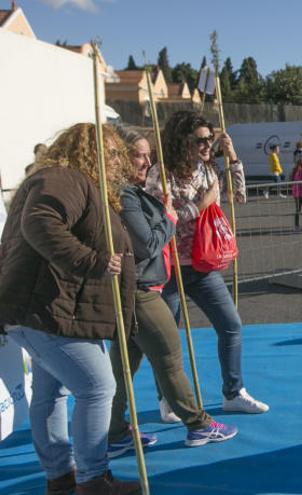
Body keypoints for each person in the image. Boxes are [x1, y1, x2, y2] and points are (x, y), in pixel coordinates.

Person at [0, 123, 142, 494]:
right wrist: (91, 261)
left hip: (41, 308)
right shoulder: (67, 178)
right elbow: (41, 224)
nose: (117, 163)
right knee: (97, 387)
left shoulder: (62, 179)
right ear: (92, 152)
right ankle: (93, 479)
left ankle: (60, 476)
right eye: (112, 155)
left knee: (52, 391)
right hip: (48, 309)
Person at [107, 125, 237, 458]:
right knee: (169, 361)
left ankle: (115, 432)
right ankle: (198, 424)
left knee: (123, 369)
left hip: (140, 287)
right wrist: (168, 215)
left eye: (148, 153)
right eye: (138, 154)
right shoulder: (125, 194)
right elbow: (149, 242)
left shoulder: (132, 191)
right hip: (142, 290)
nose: (146, 161)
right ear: (121, 157)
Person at [146, 110, 269, 414]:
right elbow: (160, 223)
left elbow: (238, 197)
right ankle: (167, 399)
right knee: (168, 340)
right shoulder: (160, 174)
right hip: (170, 267)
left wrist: (234, 158)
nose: (206, 145)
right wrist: (200, 205)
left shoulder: (208, 170)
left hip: (202, 264)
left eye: (209, 139)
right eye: (200, 140)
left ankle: (233, 392)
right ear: (181, 141)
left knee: (231, 325)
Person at [290, 154, 302, 232]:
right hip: (300, 193)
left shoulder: (296, 171)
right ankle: (299, 225)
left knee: (299, 209)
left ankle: (298, 225)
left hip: (298, 193)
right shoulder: (300, 171)